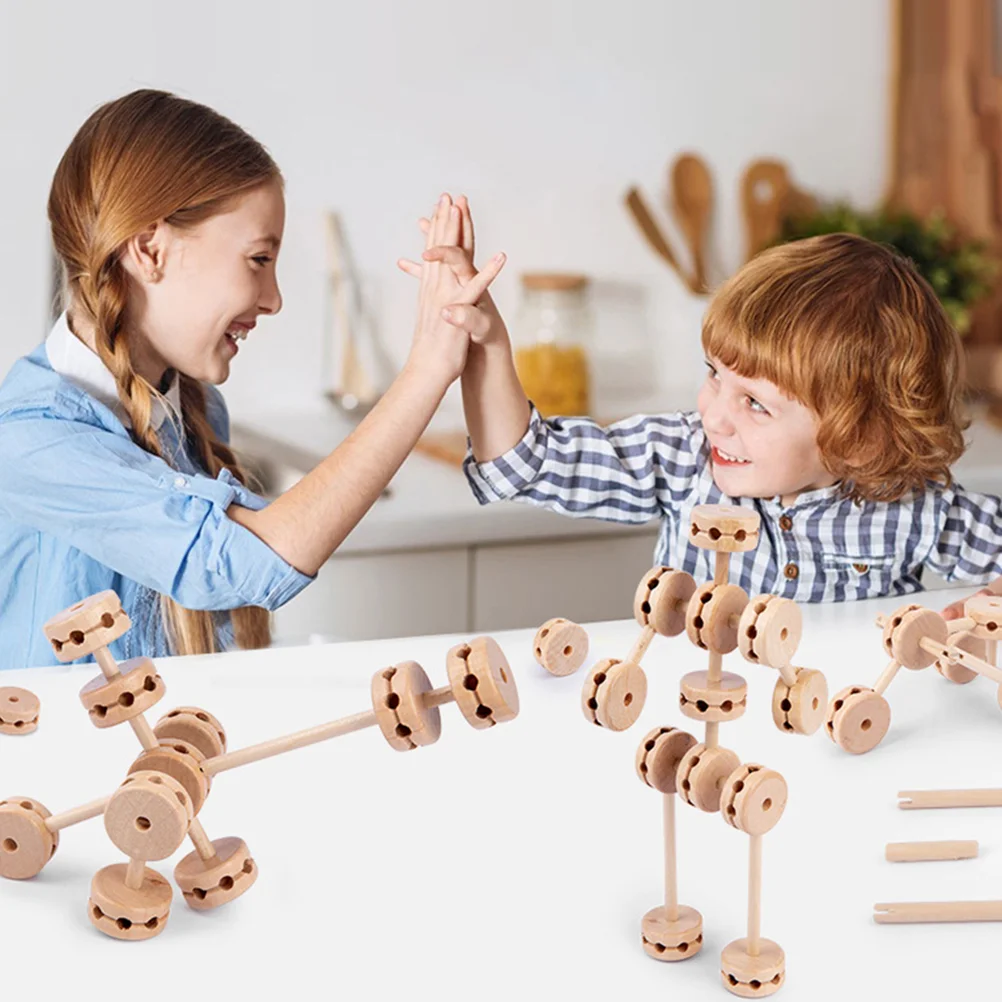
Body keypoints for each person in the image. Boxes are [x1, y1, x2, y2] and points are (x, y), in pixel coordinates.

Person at [0, 90, 502, 667]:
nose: (274, 299)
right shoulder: (30, 439)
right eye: (259, 260)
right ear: (149, 250)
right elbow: (236, 563)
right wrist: (427, 370)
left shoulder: (195, 407)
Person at [404, 219, 1002, 614]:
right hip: (697, 745)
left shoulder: (914, 509)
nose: (715, 415)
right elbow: (524, 464)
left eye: (756, 403)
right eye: (715, 374)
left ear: (864, 437)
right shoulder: (680, 459)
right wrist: (488, 347)